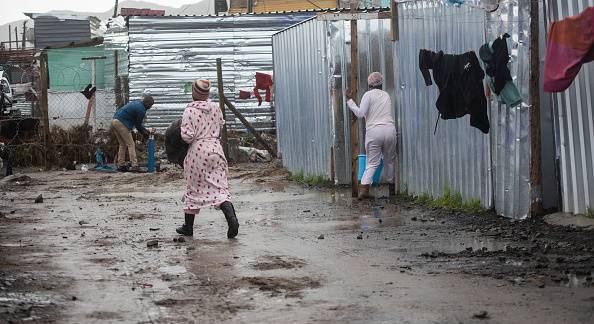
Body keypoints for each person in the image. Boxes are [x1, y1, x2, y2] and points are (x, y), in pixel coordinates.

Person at [175, 79, 239, 238]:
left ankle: (188, 227)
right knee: (220, 188)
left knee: (194, 189)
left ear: (193, 93)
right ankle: (232, 219)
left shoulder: (189, 110)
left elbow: (187, 137)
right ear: (207, 94)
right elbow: (221, 125)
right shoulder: (216, 108)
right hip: (216, 150)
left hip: (198, 152)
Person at [346, 72, 397, 199]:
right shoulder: (386, 95)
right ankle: (392, 190)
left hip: (374, 131)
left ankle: (364, 191)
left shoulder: (368, 95)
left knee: (372, 163)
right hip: (390, 130)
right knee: (389, 161)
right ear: (381, 83)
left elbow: (360, 113)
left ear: (369, 84)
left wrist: (350, 101)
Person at [111, 95, 154, 172]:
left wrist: (144, 131)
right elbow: (138, 125)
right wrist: (145, 133)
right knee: (131, 144)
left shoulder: (137, 103)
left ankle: (121, 165)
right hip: (121, 123)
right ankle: (134, 166)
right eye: (150, 105)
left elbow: (138, 125)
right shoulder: (142, 110)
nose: (150, 107)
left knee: (122, 144)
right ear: (147, 103)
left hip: (114, 121)